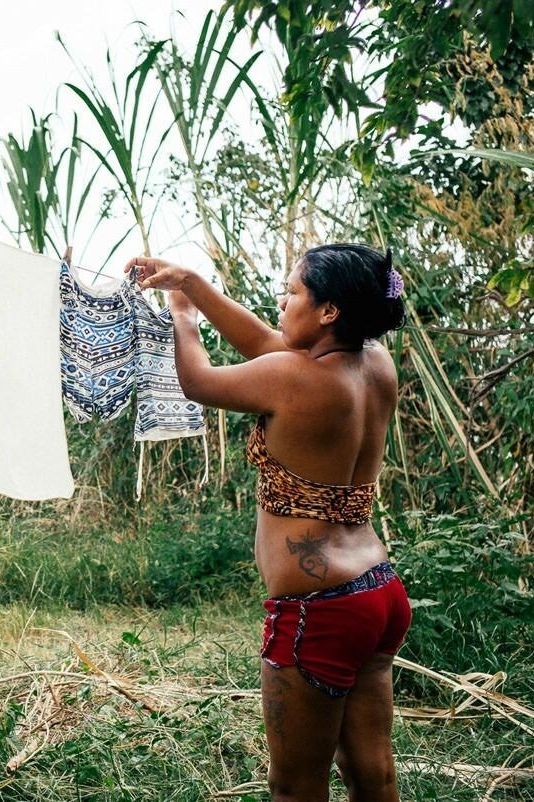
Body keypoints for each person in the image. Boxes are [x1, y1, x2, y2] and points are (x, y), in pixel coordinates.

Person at [128, 245, 410, 802]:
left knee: (294, 787)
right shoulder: (375, 365)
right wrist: (194, 284)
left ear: (328, 312)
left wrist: (183, 317)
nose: (281, 301)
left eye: (293, 292)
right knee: (372, 775)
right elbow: (267, 344)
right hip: (377, 593)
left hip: (319, 608)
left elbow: (199, 382)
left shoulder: (294, 378)